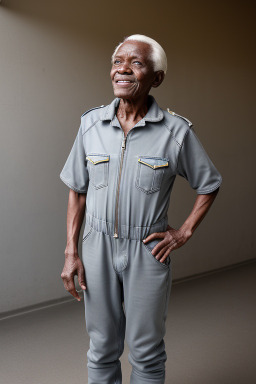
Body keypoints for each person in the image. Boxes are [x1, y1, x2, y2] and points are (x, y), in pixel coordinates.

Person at [60, 34, 222, 384]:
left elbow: (209, 183)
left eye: (136, 63)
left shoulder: (175, 131)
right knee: (101, 347)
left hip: (148, 251)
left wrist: (183, 232)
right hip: (96, 246)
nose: (123, 69)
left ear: (156, 78)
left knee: (146, 351)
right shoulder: (90, 125)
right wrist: (72, 251)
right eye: (118, 61)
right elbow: (77, 189)